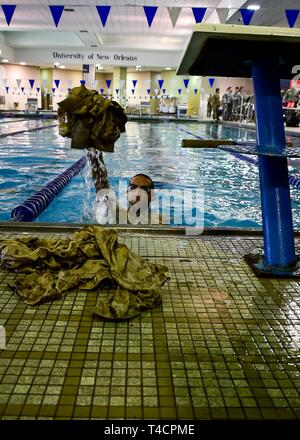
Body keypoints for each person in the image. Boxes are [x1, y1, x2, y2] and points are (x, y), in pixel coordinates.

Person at [95, 173, 167, 225]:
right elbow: (103, 192)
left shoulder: (158, 220)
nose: (138, 192)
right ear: (127, 193)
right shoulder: (117, 213)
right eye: (133, 188)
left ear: (152, 196)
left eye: (145, 189)